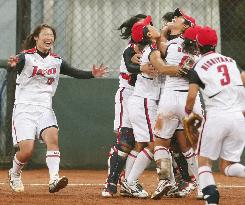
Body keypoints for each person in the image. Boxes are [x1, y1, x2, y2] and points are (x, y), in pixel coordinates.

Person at [8, 24, 107, 193]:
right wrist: (13, 64)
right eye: (45, 34)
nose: (49, 37)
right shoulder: (26, 57)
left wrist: (92, 74)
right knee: (27, 151)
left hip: (45, 108)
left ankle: (54, 179)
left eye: (51, 35)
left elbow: (74, 72)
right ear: (36, 38)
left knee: (52, 139)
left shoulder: (56, 60)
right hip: (24, 109)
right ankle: (15, 173)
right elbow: (16, 64)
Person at [185, 26, 245, 205]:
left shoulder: (197, 66)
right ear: (215, 43)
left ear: (197, 44)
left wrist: (188, 112)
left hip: (217, 117)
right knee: (228, 166)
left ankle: (211, 200)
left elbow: (191, 96)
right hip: (238, 118)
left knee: (203, 162)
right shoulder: (231, 61)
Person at [150, 9, 204, 200]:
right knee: (191, 148)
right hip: (192, 100)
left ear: (187, 26)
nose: (175, 17)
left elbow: (159, 45)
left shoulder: (171, 46)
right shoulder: (199, 49)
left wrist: (163, 31)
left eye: (179, 17)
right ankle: (202, 186)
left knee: (160, 143)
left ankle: (164, 179)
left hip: (170, 100)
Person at [101, 14, 155, 197]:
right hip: (129, 95)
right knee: (125, 141)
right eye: (143, 26)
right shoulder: (131, 49)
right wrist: (141, 67)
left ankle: (127, 182)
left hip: (145, 98)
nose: (148, 28)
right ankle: (110, 183)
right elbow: (130, 66)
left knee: (138, 143)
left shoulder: (152, 48)